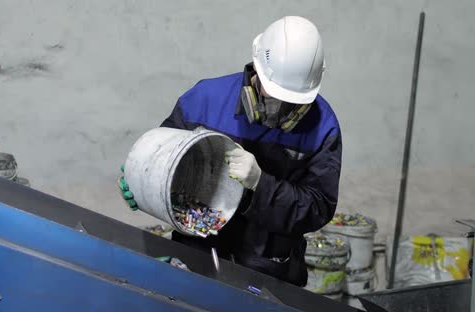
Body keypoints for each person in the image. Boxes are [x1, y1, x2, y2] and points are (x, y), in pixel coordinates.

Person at [119, 16, 342, 286]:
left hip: (268, 269)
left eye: (293, 102)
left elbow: (318, 208)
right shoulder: (204, 101)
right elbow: (161, 157)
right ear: (257, 71)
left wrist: (262, 186)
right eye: (275, 94)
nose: (282, 109)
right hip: (196, 258)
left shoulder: (322, 127)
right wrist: (142, 184)